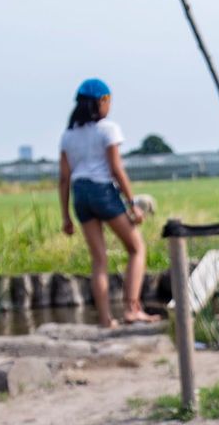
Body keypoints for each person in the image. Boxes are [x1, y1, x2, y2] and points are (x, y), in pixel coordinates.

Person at [59, 77, 156, 326]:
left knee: (99, 260)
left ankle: (105, 319)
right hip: (102, 190)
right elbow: (115, 169)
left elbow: (64, 179)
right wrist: (132, 204)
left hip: (80, 194)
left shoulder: (68, 135)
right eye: (109, 101)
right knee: (136, 248)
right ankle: (132, 309)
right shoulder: (107, 129)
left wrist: (66, 217)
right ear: (102, 101)